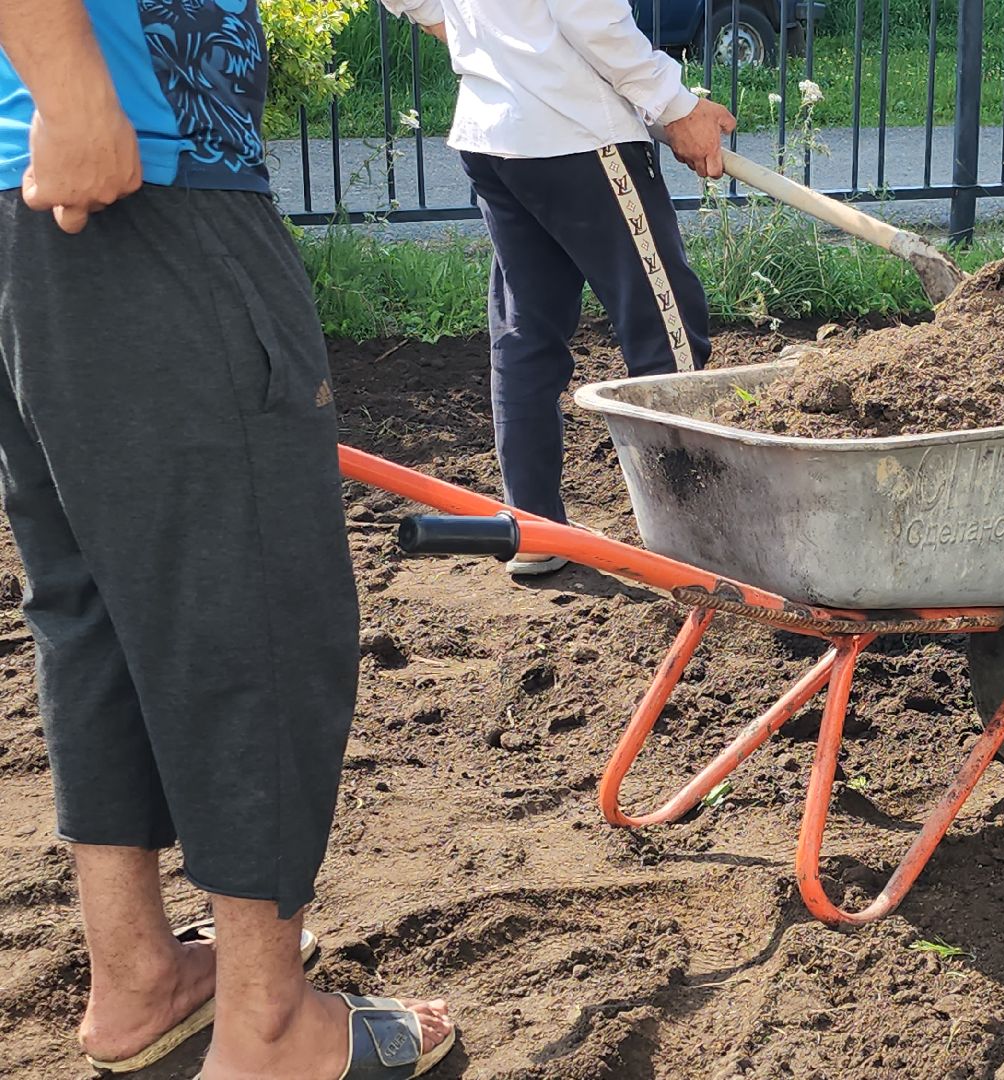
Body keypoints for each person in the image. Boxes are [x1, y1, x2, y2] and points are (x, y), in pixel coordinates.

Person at [0, 1, 455, 1077]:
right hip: (146, 179)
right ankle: (270, 1028)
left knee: (95, 605)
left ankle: (137, 976)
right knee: (252, 605)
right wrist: (72, 89)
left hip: (30, 203)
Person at [380, 0, 737, 577]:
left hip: (494, 134)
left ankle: (533, 528)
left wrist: (498, 53)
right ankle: (693, 541)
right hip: (577, 133)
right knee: (665, 326)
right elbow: (591, 17)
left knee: (527, 332)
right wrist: (678, 107)